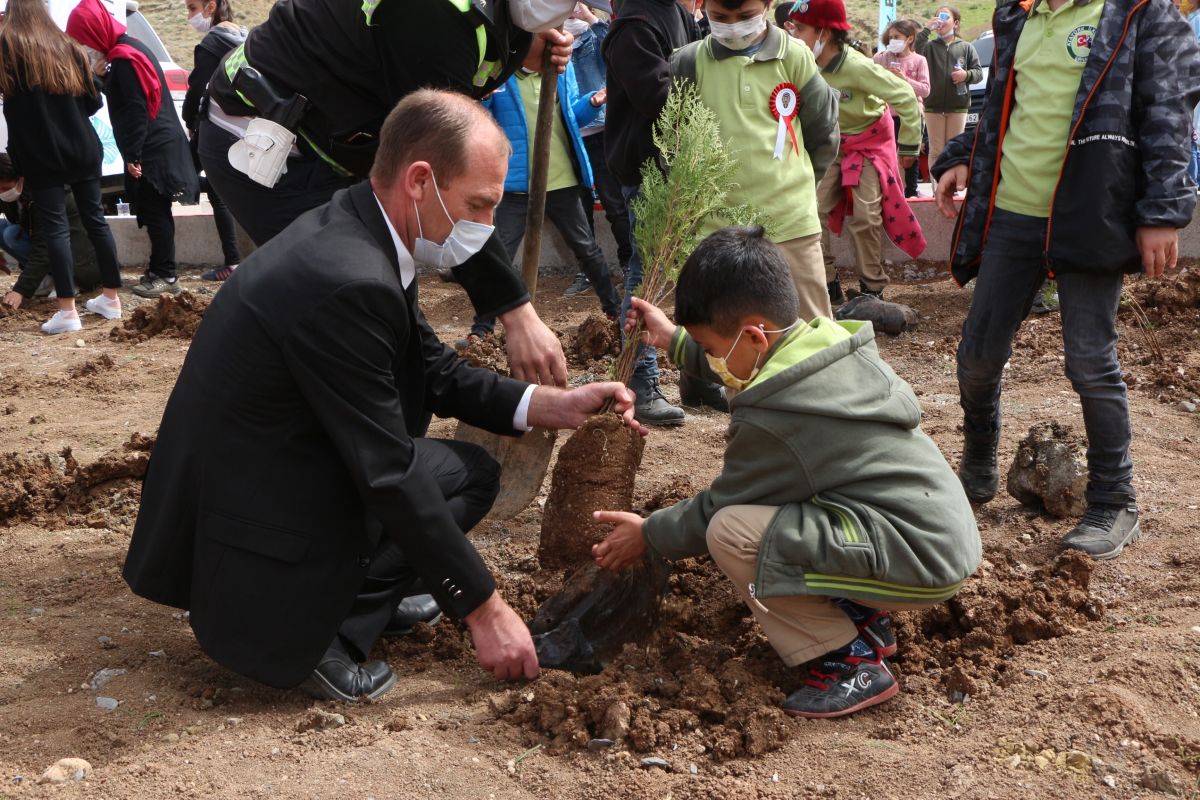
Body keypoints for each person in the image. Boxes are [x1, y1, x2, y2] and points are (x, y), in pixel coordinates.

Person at [122, 90, 646, 701]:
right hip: (253, 509)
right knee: (414, 479)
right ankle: (318, 634)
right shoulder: (348, 277)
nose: (482, 227)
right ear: (420, 180)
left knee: (470, 473)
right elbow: (387, 470)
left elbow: (434, 371)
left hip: (267, 465)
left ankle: (357, 597)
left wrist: (554, 404)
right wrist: (485, 610)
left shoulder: (359, 229)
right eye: (477, 205)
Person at [592, 225, 980, 718]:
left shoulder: (779, 414)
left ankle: (849, 661)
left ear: (754, 334)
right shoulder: (820, 348)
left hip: (919, 559)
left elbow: (720, 506)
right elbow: (741, 358)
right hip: (934, 532)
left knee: (732, 532)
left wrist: (649, 533)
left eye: (711, 349)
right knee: (791, 505)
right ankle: (862, 615)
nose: (714, 360)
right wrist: (674, 340)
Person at [932, 0, 1200, 560]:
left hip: (1090, 209)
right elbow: (1005, 105)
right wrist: (961, 153)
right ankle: (980, 452)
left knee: (1090, 361)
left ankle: (1113, 497)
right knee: (978, 354)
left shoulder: (1137, 14)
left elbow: (1168, 112)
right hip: (1011, 212)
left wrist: (1162, 212)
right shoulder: (1017, 16)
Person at [198, 0, 583, 388]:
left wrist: (521, 43)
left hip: (341, 144)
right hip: (266, 142)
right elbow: (446, 162)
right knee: (354, 305)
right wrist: (518, 314)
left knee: (389, 312)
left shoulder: (498, 14)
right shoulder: (431, 13)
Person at [670, 0, 840, 324]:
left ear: (767, 5)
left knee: (812, 330)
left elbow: (823, 134)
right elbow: (675, 141)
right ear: (704, 6)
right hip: (713, 230)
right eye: (720, 17)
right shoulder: (687, 62)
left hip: (791, 225)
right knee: (718, 335)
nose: (733, 26)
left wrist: (797, 184)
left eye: (745, 16)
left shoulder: (796, 55)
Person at [475, 40, 621, 341]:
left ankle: (615, 312)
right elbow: (480, 120)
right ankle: (482, 330)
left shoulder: (560, 72)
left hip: (560, 179)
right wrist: (484, 96)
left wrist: (592, 103)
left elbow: (571, 116)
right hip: (515, 185)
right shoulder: (502, 77)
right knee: (498, 256)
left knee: (587, 249)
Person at [788, 0, 925, 303]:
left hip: (868, 143)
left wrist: (910, 146)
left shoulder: (856, 66)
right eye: (792, 26)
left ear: (823, 32)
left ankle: (871, 288)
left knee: (865, 216)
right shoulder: (801, 63)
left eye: (800, 28)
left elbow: (904, 95)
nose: (793, 34)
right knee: (813, 208)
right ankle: (826, 281)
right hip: (832, 144)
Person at [0, 0, 124, 334]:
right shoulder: (67, 44)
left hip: (41, 153)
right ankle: (112, 299)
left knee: (54, 228)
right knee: (95, 220)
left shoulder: (7, 44)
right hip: (83, 146)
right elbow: (92, 102)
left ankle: (68, 311)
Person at [603, 0, 701, 424]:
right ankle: (639, 383)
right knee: (648, 272)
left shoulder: (676, 15)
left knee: (693, 269)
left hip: (680, 165)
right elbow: (660, 97)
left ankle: (700, 373)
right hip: (647, 170)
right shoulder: (635, 25)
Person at [68, 0, 200, 300]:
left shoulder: (125, 58)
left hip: (153, 146)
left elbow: (137, 110)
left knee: (156, 212)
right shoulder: (127, 51)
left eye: (84, 40)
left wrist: (134, 156)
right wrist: (101, 76)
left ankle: (166, 276)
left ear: (94, 31)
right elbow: (125, 96)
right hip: (157, 142)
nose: (84, 47)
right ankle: (158, 269)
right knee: (156, 211)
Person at [565, 2, 632, 298]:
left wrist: (590, 16)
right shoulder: (551, 44)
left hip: (601, 135)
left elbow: (614, 46)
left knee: (615, 205)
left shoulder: (596, 37)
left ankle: (629, 264)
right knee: (579, 211)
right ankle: (589, 271)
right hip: (569, 136)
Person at [181, 0, 245, 282]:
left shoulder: (211, 44)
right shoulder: (245, 36)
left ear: (211, 7)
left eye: (193, 8)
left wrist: (189, 119)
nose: (189, 16)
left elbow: (197, 88)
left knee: (217, 193)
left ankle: (232, 261)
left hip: (220, 125)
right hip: (250, 125)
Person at [0, 155, 103, 309]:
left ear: (20, 179)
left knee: (11, 235)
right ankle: (47, 279)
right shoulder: (13, 193)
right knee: (5, 230)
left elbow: (44, 247)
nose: (2, 193)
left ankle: (69, 281)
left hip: (78, 260)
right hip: (45, 243)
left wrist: (20, 290)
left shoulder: (44, 196)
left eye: (6, 188)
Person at [915, 6, 980, 169]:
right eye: (937, 17)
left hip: (958, 107)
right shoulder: (928, 46)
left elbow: (979, 73)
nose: (940, 20)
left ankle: (952, 188)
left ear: (956, 23)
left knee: (954, 149)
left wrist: (966, 75)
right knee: (936, 151)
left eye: (945, 17)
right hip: (932, 106)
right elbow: (914, 51)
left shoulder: (966, 47)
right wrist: (926, 29)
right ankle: (938, 190)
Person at [873, 20, 928, 197]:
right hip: (887, 113)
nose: (892, 41)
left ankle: (911, 191)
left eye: (897, 37)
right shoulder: (882, 57)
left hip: (912, 115)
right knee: (886, 154)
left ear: (909, 38)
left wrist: (905, 79)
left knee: (910, 154)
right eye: (890, 38)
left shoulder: (919, 60)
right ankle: (887, 190)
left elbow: (925, 90)